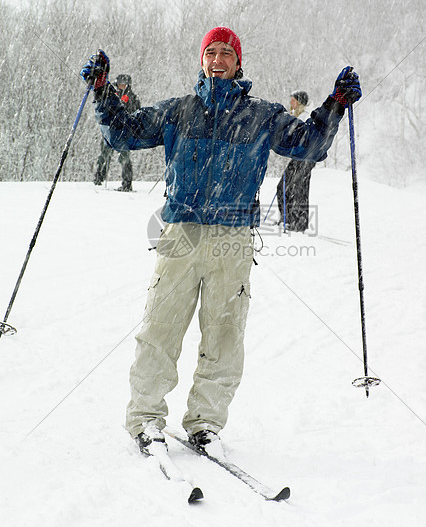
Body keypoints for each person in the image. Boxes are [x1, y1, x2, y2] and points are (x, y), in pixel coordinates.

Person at [80, 27, 362, 457]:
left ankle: (205, 425)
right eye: (210, 52)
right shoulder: (180, 111)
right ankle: (147, 419)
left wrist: (336, 105)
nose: (217, 59)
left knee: (225, 337)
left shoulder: (262, 116)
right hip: (180, 237)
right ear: (201, 59)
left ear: (238, 62)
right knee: (160, 330)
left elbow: (309, 145)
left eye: (225, 53)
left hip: (233, 241)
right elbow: (122, 134)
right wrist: (102, 91)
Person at [276, 90, 316, 232]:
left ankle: (296, 222)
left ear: (299, 102)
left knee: (297, 188)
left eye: (293, 100)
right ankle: (289, 219)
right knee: (288, 187)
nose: (290, 102)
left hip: (305, 158)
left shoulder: (305, 117)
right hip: (301, 157)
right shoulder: (298, 116)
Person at [93, 73, 140, 191]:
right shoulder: (111, 94)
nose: (121, 86)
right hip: (109, 130)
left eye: (124, 84)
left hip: (124, 132)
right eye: (120, 84)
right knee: (104, 155)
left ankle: (127, 184)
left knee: (125, 158)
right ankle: (99, 178)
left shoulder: (133, 98)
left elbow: (136, 113)